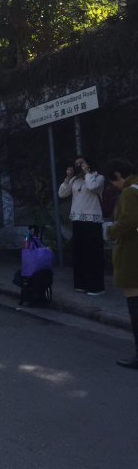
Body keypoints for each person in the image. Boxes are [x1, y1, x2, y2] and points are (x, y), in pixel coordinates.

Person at [103, 158, 138, 370]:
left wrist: (111, 231)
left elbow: (129, 221)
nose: (113, 186)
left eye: (112, 181)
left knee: (134, 300)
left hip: (133, 252)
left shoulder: (128, 191)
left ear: (117, 174)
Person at [59, 156, 106, 295]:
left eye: (82, 163)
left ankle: (96, 287)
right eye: (76, 164)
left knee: (93, 254)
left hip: (92, 219)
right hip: (77, 218)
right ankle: (81, 283)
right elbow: (62, 194)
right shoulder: (74, 180)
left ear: (89, 164)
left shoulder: (98, 177)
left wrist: (88, 172)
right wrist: (68, 177)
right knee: (79, 253)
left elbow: (93, 187)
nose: (79, 166)